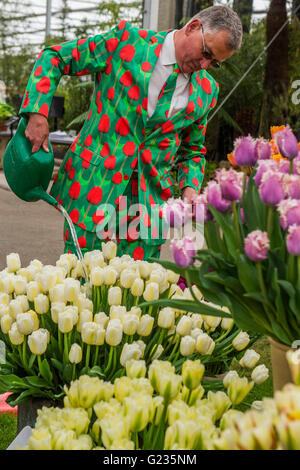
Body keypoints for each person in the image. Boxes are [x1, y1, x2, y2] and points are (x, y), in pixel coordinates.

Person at [20, 5, 243, 261]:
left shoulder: (207, 90)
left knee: (135, 291)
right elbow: (55, 57)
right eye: (206, 52)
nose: (204, 64)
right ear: (193, 27)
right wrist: (37, 112)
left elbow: (193, 150)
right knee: (81, 282)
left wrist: (190, 187)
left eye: (214, 63)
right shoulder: (126, 43)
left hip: (148, 204)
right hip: (95, 186)